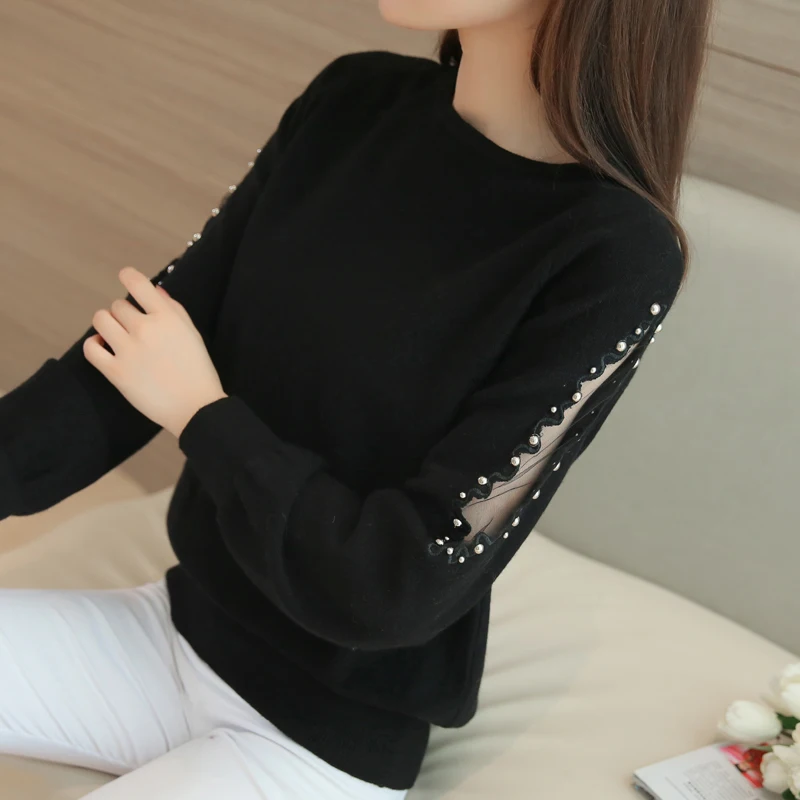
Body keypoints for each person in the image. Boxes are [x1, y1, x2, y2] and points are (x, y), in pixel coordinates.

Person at [0, 0, 713, 797]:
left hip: (315, 742)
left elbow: (400, 588)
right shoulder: (353, 100)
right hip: (170, 631)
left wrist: (204, 417)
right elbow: (127, 362)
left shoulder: (615, 255)